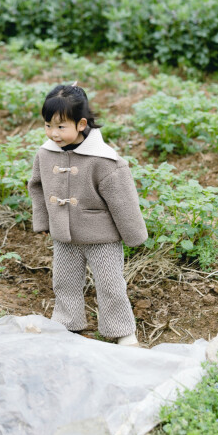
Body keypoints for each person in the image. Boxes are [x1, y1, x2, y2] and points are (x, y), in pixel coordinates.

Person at [27, 84, 147, 346]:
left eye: (61, 127)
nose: (53, 133)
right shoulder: (46, 154)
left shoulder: (103, 160)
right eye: (48, 125)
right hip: (64, 236)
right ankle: (67, 325)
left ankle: (121, 331)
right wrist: (44, 221)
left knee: (110, 285)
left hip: (101, 236)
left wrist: (134, 235)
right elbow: (36, 186)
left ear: (81, 124)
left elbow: (123, 200)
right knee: (64, 282)